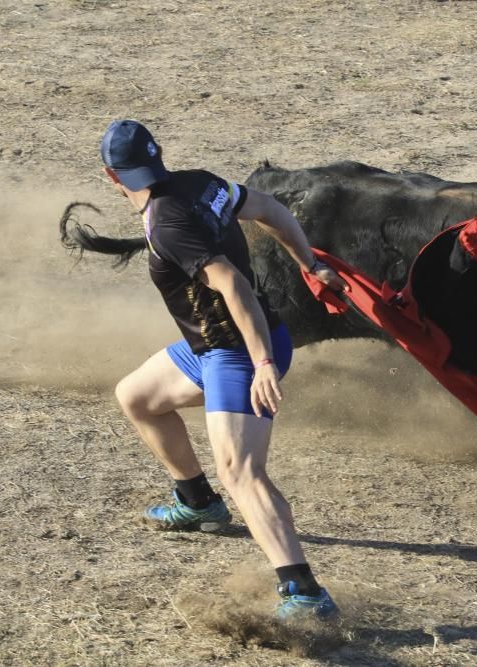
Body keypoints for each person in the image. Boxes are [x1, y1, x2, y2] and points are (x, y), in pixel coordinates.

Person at [98, 119, 346, 620]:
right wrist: (307, 261)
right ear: (159, 155)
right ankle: (196, 502)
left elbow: (233, 286)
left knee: (242, 473)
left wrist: (261, 364)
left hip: (238, 352)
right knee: (138, 397)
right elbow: (271, 209)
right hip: (214, 347)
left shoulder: (167, 224)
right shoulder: (202, 183)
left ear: (110, 176)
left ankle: (304, 593)